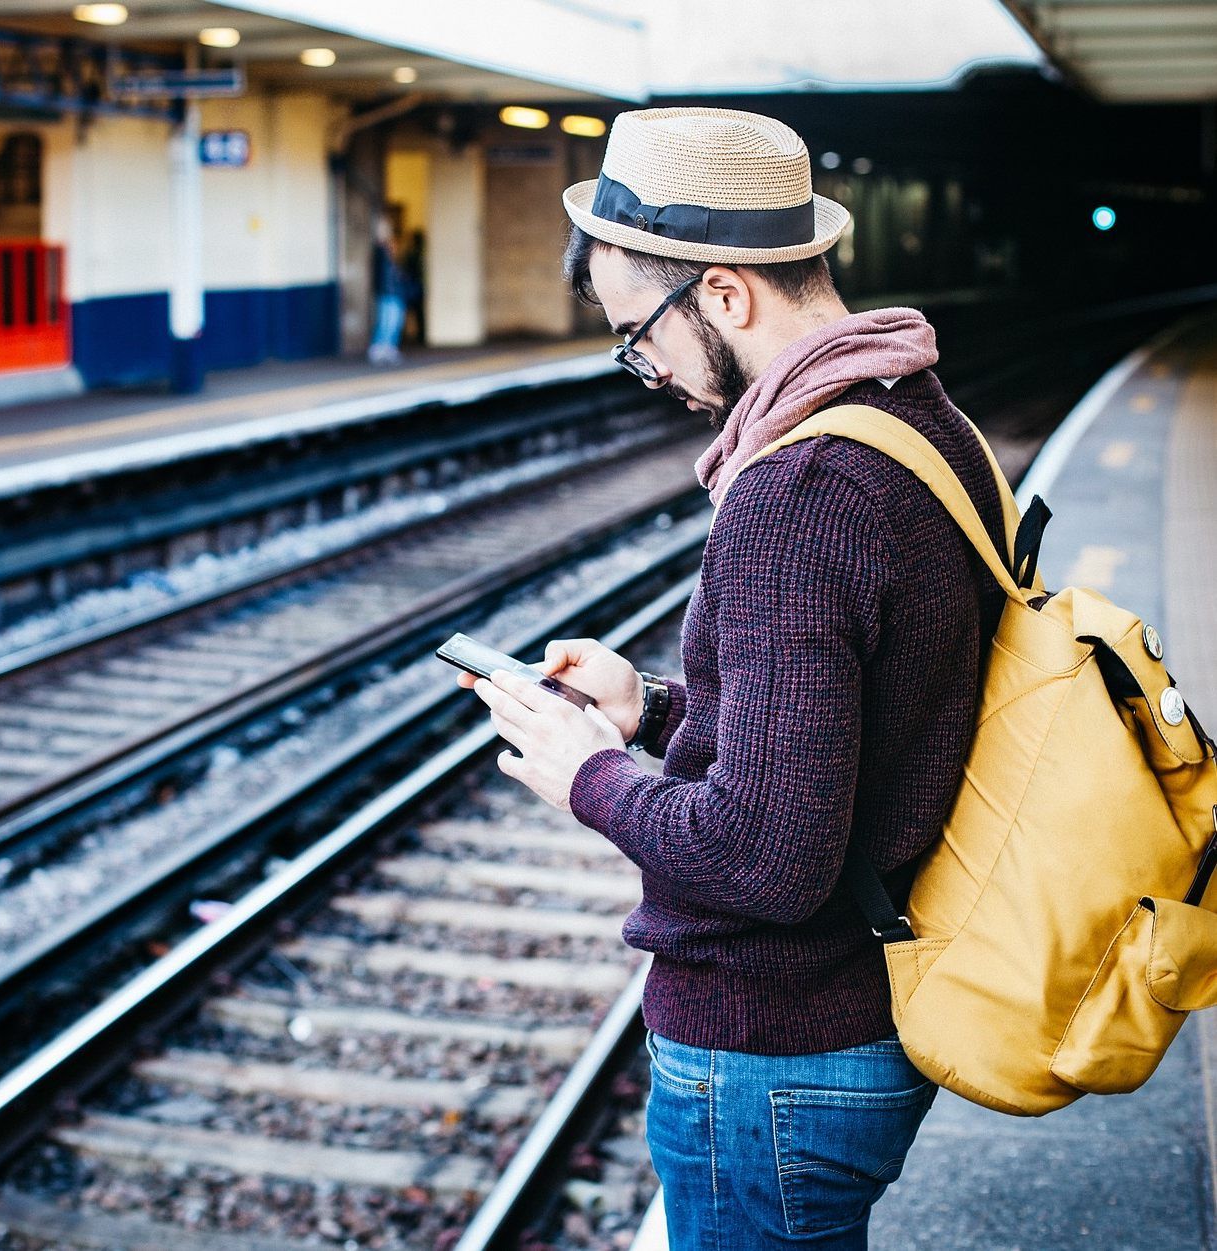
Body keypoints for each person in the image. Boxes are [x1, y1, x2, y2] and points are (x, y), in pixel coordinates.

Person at [458, 106, 1009, 1248]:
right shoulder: (920, 419)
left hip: (775, 1047)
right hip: (858, 1013)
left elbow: (764, 856)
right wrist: (651, 708)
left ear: (722, 292)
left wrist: (587, 773)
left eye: (637, 332)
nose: (641, 368)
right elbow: (868, 717)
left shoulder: (794, 494)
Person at [368, 217, 407, 365]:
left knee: (394, 321)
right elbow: (381, 275)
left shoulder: (389, 258)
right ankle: (380, 348)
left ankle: (388, 348)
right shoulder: (381, 252)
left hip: (394, 292)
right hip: (388, 292)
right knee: (387, 321)